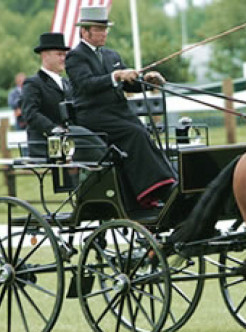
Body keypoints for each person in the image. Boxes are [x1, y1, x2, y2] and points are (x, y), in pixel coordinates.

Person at [65, 5, 176, 209]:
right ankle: (153, 190)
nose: (104, 33)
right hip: (93, 115)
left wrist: (146, 80)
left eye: (105, 29)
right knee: (135, 133)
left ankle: (166, 182)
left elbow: (128, 82)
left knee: (146, 133)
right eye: (99, 29)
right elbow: (86, 85)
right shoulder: (75, 57)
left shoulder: (111, 55)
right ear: (85, 31)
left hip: (118, 112)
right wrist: (115, 76)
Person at [21, 32, 106, 161]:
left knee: (102, 145)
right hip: (47, 143)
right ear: (45, 56)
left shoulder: (67, 83)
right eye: (59, 54)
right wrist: (54, 129)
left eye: (64, 55)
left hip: (72, 139)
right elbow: (30, 113)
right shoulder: (33, 83)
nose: (63, 58)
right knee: (96, 151)